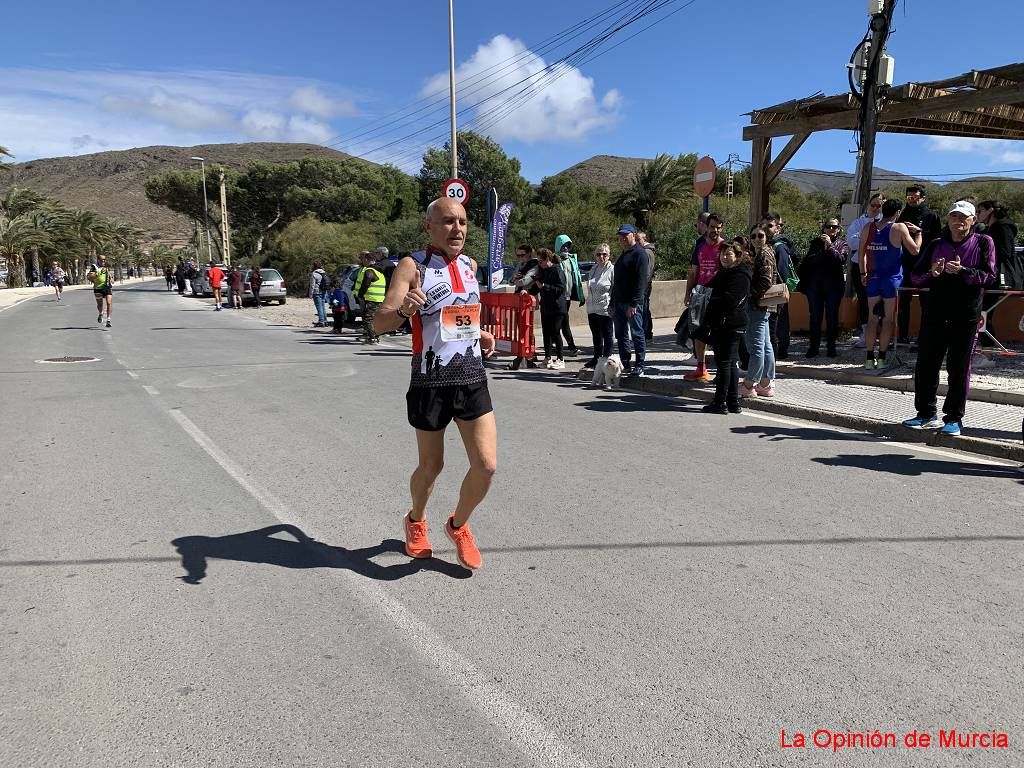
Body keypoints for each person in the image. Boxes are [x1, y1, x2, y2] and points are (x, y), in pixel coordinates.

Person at [372, 197, 497, 571]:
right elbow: (380, 323)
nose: (457, 228)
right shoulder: (413, 267)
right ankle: (416, 520)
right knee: (432, 467)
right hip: (430, 382)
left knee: (487, 466)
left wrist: (481, 334)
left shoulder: (472, 265)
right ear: (429, 227)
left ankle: (458, 525)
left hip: (472, 377)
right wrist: (405, 309)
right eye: (447, 221)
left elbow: (460, 316)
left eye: (462, 222)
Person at [902, 201, 995, 437]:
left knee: (959, 369)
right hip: (935, 313)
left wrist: (963, 271)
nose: (958, 221)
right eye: (954, 216)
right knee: (926, 365)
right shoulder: (935, 244)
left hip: (965, 316)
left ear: (973, 220)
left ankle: (953, 418)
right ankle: (925, 413)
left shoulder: (984, 242)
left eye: (964, 217)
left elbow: (989, 276)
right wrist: (932, 273)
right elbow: (915, 276)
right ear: (948, 219)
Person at [859, 199, 922, 370]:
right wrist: (918, 233)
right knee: (887, 320)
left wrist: (863, 273)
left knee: (872, 320)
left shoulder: (867, 227)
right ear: (898, 213)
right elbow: (915, 250)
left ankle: (869, 359)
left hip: (872, 279)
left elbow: (861, 253)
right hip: (892, 281)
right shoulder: (899, 228)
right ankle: (882, 358)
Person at [699, 242, 752, 414]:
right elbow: (706, 289)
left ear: (737, 256)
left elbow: (729, 300)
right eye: (722, 254)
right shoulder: (724, 273)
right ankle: (733, 402)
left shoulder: (740, 275)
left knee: (724, 363)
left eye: (729, 254)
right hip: (723, 323)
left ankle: (720, 402)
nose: (724, 257)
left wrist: (712, 300)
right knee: (730, 363)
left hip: (730, 323)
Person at [896, 185, 941, 345]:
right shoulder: (902, 215)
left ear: (923, 198)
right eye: (909, 198)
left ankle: (924, 337)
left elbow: (938, 240)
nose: (912, 200)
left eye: (915, 197)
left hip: (925, 265)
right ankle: (902, 336)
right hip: (905, 264)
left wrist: (919, 231)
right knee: (903, 301)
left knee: (926, 302)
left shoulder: (931, 216)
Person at [684, 213, 725, 382]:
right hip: (700, 292)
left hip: (718, 294)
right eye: (712, 226)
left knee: (718, 333)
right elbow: (694, 271)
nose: (714, 230)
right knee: (698, 331)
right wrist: (688, 293)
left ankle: (722, 370)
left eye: (718, 227)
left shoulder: (725, 246)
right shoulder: (699, 245)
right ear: (706, 227)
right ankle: (701, 368)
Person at [799, 219, 849, 358]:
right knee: (815, 317)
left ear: (838, 229)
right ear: (824, 229)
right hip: (815, 287)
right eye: (829, 226)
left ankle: (831, 347)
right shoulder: (815, 243)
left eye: (834, 227)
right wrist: (824, 253)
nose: (831, 229)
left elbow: (840, 260)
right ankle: (813, 347)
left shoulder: (842, 244)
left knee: (832, 317)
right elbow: (810, 261)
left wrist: (829, 246)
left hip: (833, 288)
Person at [740, 225, 778, 398]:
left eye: (760, 236)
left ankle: (749, 384)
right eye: (753, 236)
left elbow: (765, 282)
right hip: (764, 306)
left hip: (757, 305)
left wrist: (750, 295)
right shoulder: (767, 251)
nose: (756, 239)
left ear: (766, 237)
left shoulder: (763, 254)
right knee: (765, 345)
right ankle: (766, 383)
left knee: (756, 346)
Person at [611, 224, 652, 377]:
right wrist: (612, 303)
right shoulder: (622, 256)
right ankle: (625, 362)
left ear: (633, 235)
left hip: (632, 303)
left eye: (625, 235)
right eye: (620, 235)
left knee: (637, 333)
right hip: (619, 302)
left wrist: (634, 303)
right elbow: (617, 282)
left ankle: (640, 364)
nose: (622, 238)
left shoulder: (640, 254)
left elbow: (641, 281)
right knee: (621, 334)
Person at [846, 194, 885, 347]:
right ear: (868, 205)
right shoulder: (858, 222)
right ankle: (865, 333)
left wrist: (864, 238)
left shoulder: (886, 222)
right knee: (863, 299)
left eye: (879, 206)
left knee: (881, 299)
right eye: (873, 205)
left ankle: (880, 332)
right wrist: (870, 239)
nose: (875, 208)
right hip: (860, 265)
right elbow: (852, 242)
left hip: (879, 266)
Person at [763, 212, 795, 359]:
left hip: (776, 290)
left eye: (770, 226)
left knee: (778, 321)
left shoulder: (779, 247)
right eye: (764, 225)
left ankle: (780, 349)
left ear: (777, 228)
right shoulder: (767, 245)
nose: (766, 228)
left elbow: (782, 272)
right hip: (768, 291)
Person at [534, 248, 568, 369]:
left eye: (541, 261)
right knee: (546, 333)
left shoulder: (557, 270)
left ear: (547, 259)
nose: (540, 264)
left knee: (555, 332)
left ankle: (560, 358)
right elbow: (537, 287)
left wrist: (545, 286)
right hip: (546, 306)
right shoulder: (542, 271)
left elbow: (561, 289)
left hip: (557, 307)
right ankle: (548, 358)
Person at [976, 200, 1021, 290]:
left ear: (990, 210)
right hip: (992, 272)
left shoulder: (1004, 227)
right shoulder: (989, 229)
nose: (977, 214)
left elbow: (1005, 253)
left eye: (980, 211)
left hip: (1002, 274)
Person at [583, 243, 614, 369]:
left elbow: (615, 289)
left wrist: (612, 304)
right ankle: (597, 358)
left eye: (604, 254)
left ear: (608, 255)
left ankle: (606, 359)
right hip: (592, 308)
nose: (601, 257)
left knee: (607, 335)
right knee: (596, 335)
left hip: (605, 308)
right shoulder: (593, 269)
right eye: (599, 254)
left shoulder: (612, 270)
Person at [554, 235, 584, 356]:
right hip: (557, 297)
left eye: (567, 246)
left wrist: (580, 295)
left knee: (561, 322)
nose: (566, 248)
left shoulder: (571, 260)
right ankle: (571, 347)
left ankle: (556, 345)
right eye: (563, 246)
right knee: (563, 322)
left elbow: (576, 278)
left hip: (567, 297)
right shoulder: (554, 260)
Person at [354, 250, 385, 343]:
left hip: (371, 298)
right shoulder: (379, 270)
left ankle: (372, 337)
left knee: (368, 318)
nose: (362, 261)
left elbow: (366, 282)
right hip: (378, 298)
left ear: (368, 260)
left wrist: (360, 294)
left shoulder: (369, 270)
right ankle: (373, 336)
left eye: (364, 259)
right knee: (373, 319)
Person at [638, 231, 656, 342]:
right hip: (646, 284)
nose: (636, 241)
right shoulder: (646, 251)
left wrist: (642, 285)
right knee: (645, 308)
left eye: (638, 239)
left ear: (644, 239)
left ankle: (645, 333)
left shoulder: (647, 252)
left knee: (643, 309)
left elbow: (647, 271)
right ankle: (647, 333)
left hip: (645, 285)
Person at [87, 254, 113, 327]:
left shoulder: (106, 266)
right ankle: (101, 313)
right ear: (98, 260)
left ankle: (108, 320)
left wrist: (111, 278)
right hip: (98, 288)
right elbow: (90, 276)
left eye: (104, 259)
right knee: (100, 304)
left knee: (109, 303)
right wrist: (100, 272)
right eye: (102, 259)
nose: (103, 261)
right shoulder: (94, 267)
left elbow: (109, 274)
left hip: (107, 287)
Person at [309, 260, 330, 327]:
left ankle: (321, 322)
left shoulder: (314, 274)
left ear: (314, 266)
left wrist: (310, 294)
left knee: (319, 307)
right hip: (324, 291)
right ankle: (325, 321)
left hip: (317, 292)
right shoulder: (324, 273)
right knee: (323, 306)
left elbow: (312, 285)